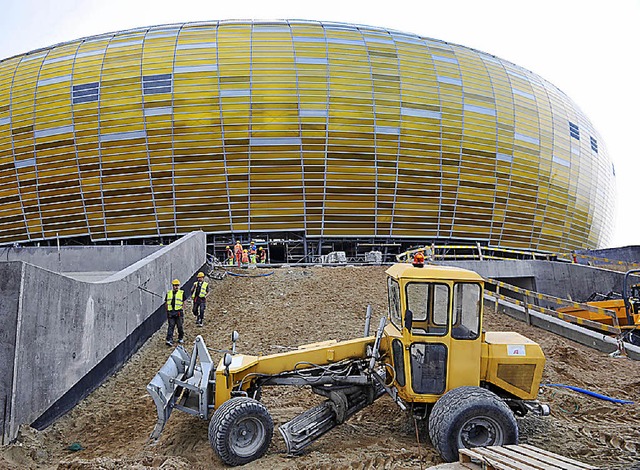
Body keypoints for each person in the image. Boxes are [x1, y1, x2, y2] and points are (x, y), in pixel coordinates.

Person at [165, 279, 185, 346]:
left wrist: (182, 310)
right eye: (175, 285)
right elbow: (167, 303)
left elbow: (183, 302)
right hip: (171, 312)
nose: (176, 287)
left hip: (178, 312)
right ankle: (169, 339)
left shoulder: (181, 293)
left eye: (177, 285)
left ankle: (180, 337)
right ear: (173, 286)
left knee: (180, 326)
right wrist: (168, 311)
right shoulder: (169, 293)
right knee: (171, 326)